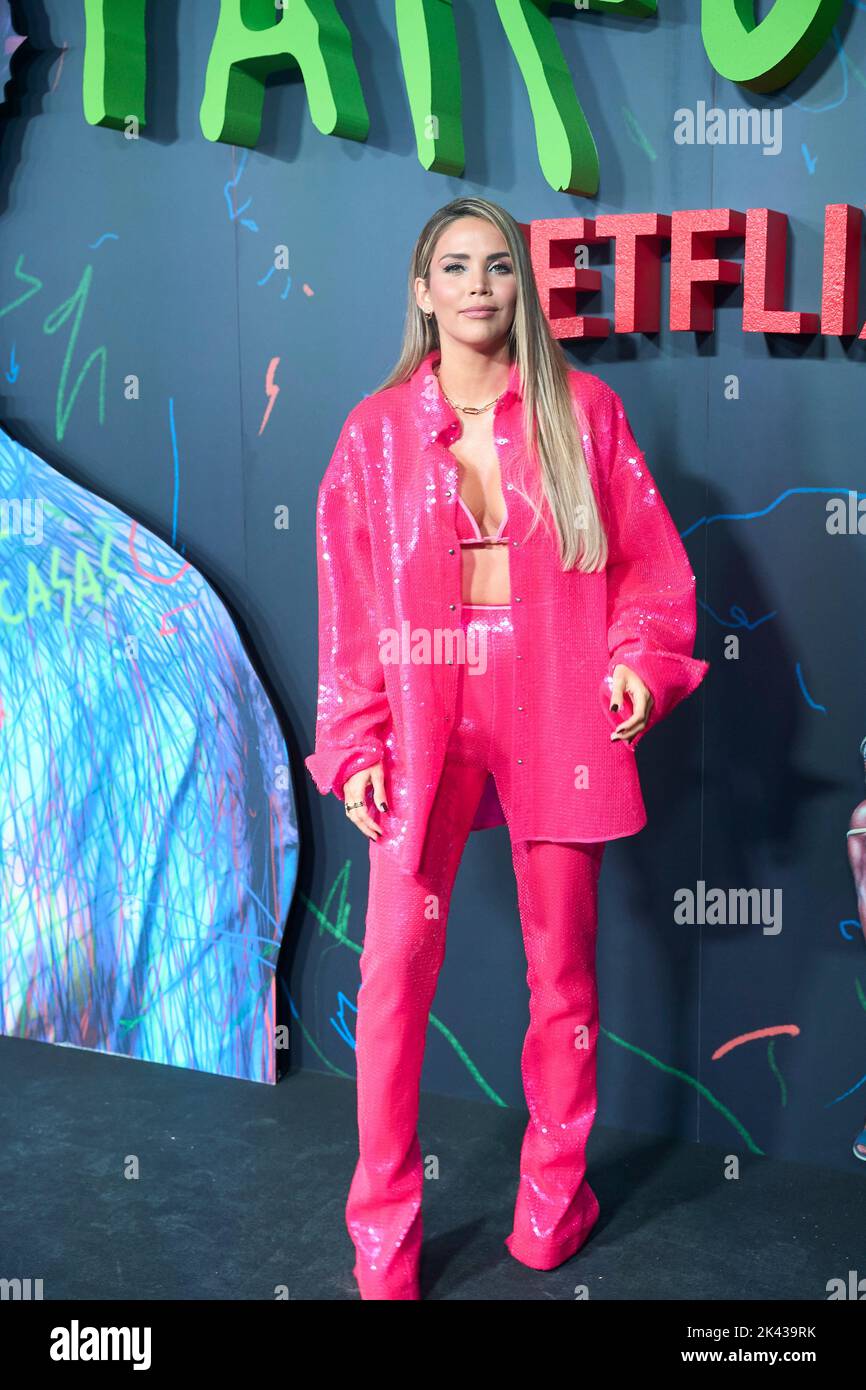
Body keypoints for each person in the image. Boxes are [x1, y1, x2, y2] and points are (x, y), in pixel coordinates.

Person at [305, 195, 710, 1300]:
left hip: (554, 696)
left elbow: (648, 569)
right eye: (454, 265)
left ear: (518, 288)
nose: (477, 284)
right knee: (390, 973)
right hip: (426, 702)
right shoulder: (372, 432)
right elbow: (346, 602)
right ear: (421, 289)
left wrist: (636, 659)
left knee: (561, 974)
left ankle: (549, 1204)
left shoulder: (583, 410)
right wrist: (353, 739)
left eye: (496, 265)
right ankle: (382, 1244)